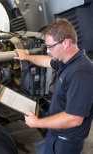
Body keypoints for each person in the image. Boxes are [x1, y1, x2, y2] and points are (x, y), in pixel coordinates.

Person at [14, 18, 93, 154]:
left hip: (66, 144)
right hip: (55, 136)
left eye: (50, 46)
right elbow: (47, 62)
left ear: (66, 43)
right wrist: (26, 57)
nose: (48, 51)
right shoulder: (67, 61)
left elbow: (74, 118)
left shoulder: (81, 73)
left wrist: (37, 123)